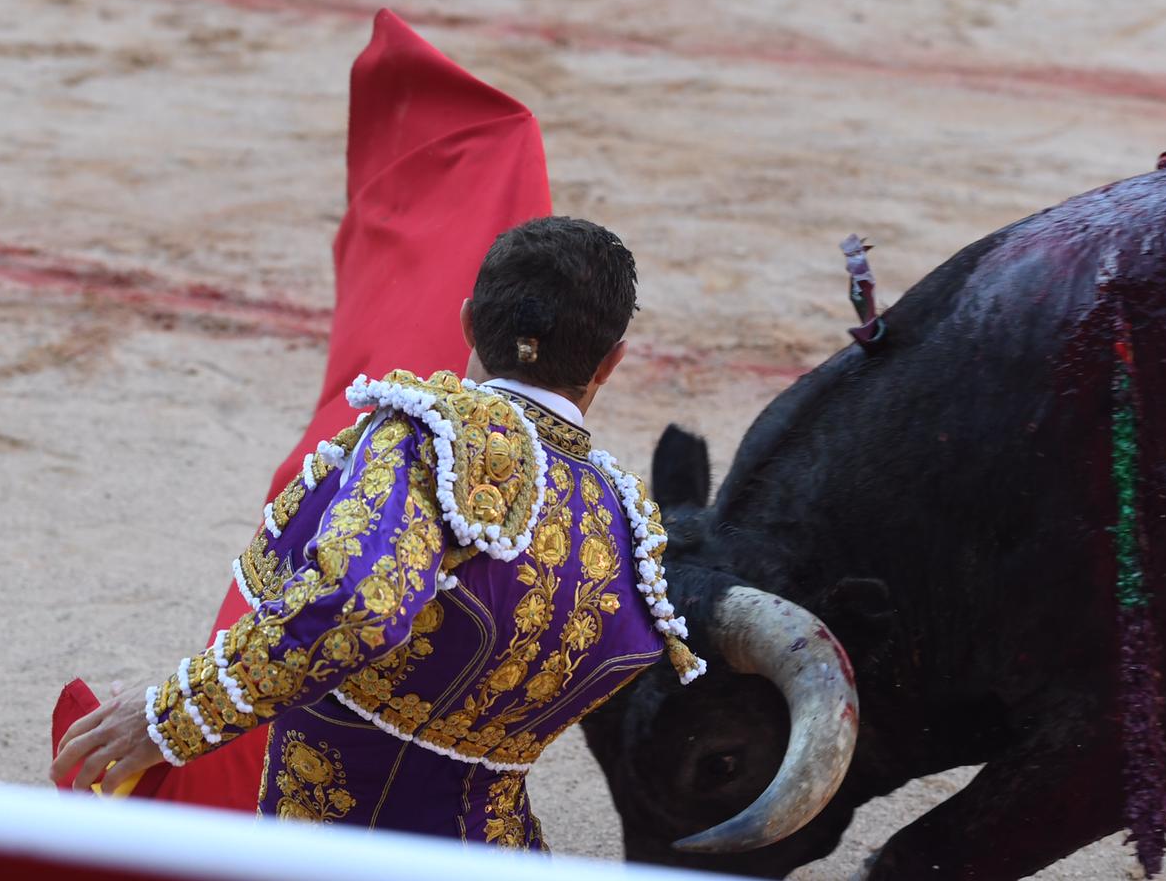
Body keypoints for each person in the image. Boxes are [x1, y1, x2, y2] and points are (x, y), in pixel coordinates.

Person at [53, 216, 703, 849]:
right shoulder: (622, 519)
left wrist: (172, 712)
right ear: (611, 362)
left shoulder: (431, 433)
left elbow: (358, 606)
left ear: (470, 320)